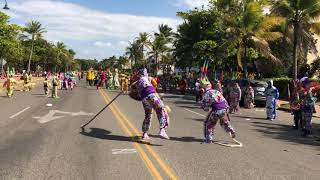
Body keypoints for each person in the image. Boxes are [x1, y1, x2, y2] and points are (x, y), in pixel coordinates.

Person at [132, 68, 170, 140]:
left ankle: (144, 133)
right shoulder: (147, 78)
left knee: (148, 115)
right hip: (151, 95)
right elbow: (154, 84)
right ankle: (162, 130)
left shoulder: (136, 82)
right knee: (161, 110)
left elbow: (134, 92)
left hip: (144, 99)